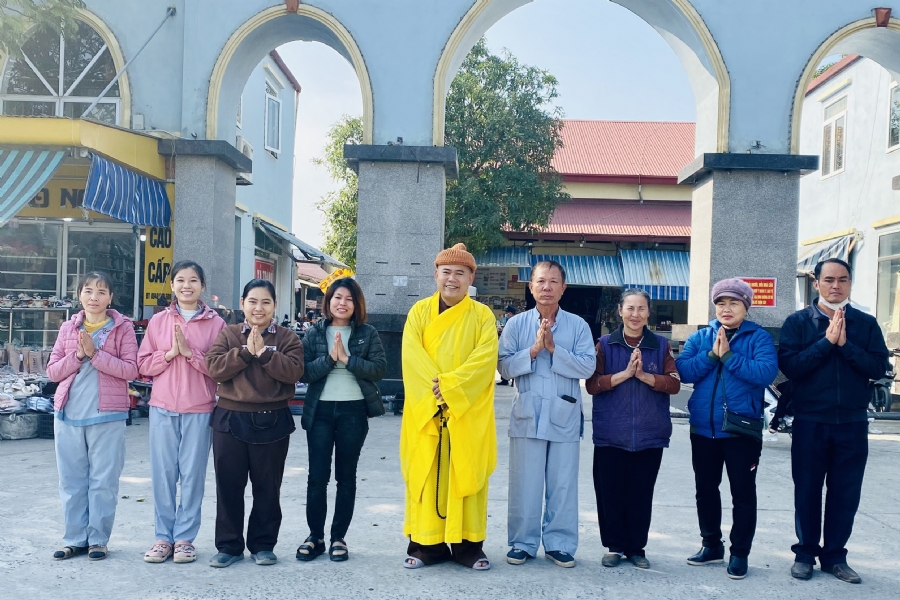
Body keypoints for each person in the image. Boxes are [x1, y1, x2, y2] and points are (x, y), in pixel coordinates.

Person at [778, 258, 890, 584]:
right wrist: (827, 343)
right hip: (810, 420)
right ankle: (804, 554)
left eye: (842, 279)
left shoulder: (866, 324)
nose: (835, 286)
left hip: (852, 423)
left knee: (845, 493)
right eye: (828, 279)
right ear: (817, 283)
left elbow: (877, 368)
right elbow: (793, 367)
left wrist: (846, 344)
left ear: (850, 283)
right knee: (808, 490)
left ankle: (835, 557)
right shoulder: (798, 322)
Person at [399, 243, 498, 571]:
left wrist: (452, 388)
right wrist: (437, 394)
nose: (452, 279)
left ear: (471, 277)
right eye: (446, 272)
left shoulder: (482, 316)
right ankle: (427, 544)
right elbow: (411, 356)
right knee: (427, 475)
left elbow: (484, 362)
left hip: (466, 413)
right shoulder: (419, 312)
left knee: (466, 475)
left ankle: (468, 545)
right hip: (427, 411)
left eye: (460, 273)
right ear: (436, 274)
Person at [675, 278, 778, 580]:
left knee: (743, 493)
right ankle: (711, 545)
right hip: (703, 429)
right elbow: (684, 370)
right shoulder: (701, 337)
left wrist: (729, 357)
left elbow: (765, 373)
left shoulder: (758, 338)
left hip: (741, 429)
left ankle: (740, 553)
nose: (726, 308)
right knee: (705, 490)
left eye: (734, 302)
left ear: (746, 306)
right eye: (721, 303)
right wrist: (712, 355)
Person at [498, 260, 595, 568]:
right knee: (524, 482)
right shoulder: (516, 325)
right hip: (528, 412)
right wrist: (533, 351)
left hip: (564, 413)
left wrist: (554, 349)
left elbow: (587, 367)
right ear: (531, 286)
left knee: (563, 483)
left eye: (554, 281)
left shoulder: (578, 326)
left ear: (563, 288)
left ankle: (559, 543)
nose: (547, 287)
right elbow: (503, 366)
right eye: (541, 281)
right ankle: (523, 542)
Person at [205, 279, 305, 568]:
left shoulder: (287, 338)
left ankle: (263, 545)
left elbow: (294, 372)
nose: (258, 308)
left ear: (274, 305)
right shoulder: (230, 334)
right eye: (253, 301)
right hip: (229, 418)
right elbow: (213, 367)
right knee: (228, 485)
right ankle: (229, 546)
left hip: (272, 419)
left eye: (265, 302)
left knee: (267, 486)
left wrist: (264, 354)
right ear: (243, 303)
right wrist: (246, 352)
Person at [46, 272, 139, 561]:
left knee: (103, 481)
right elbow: (52, 372)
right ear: (79, 295)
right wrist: (77, 356)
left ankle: (98, 539)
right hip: (68, 415)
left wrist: (95, 354)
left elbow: (131, 370)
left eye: (101, 292)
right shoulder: (67, 328)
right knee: (71, 481)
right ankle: (74, 539)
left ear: (110, 297)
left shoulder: (122, 328)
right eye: (88, 291)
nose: (94, 297)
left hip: (107, 416)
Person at [137, 261, 225, 563]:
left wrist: (191, 355)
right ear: (172, 285)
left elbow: (221, 368)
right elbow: (143, 365)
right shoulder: (159, 322)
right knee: (163, 475)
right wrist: (169, 354)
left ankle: (185, 538)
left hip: (199, 409)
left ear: (202, 286)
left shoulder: (216, 324)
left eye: (193, 280)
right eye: (180, 280)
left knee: (192, 476)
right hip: (162, 408)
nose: (186, 285)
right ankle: (163, 537)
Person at [586, 289, 680, 569]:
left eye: (641, 309)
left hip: (649, 434)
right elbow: (592, 384)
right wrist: (625, 375)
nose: (635, 314)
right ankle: (614, 546)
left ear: (648, 313)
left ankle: (637, 547)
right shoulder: (605, 344)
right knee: (610, 492)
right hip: (610, 432)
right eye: (630, 308)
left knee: (641, 493)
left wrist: (644, 376)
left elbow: (674, 383)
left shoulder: (661, 346)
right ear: (620, 310)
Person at [296, 278, 386, 563]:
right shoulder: (314, 332)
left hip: (353, 413)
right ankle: (315, 537)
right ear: (329, 301)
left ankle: (338, 538)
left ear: (356, 303)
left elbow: (379, 369)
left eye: (348, 298)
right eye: (337, 297)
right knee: (317, 477)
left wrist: (347, 359)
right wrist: (331, 361)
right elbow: (304, 373)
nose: (342, 303)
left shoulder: (367, 333)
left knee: (345, 478)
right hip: (320, 412)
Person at [497, 305, 517, 386]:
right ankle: (505, 379)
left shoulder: (515, 321)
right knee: (505, 359)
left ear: (511, 313)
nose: (506, 314)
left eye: (508, 313)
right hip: (506, 342)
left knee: (512, 361)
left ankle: (512, 380)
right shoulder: (508, 320)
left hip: (513, 343)